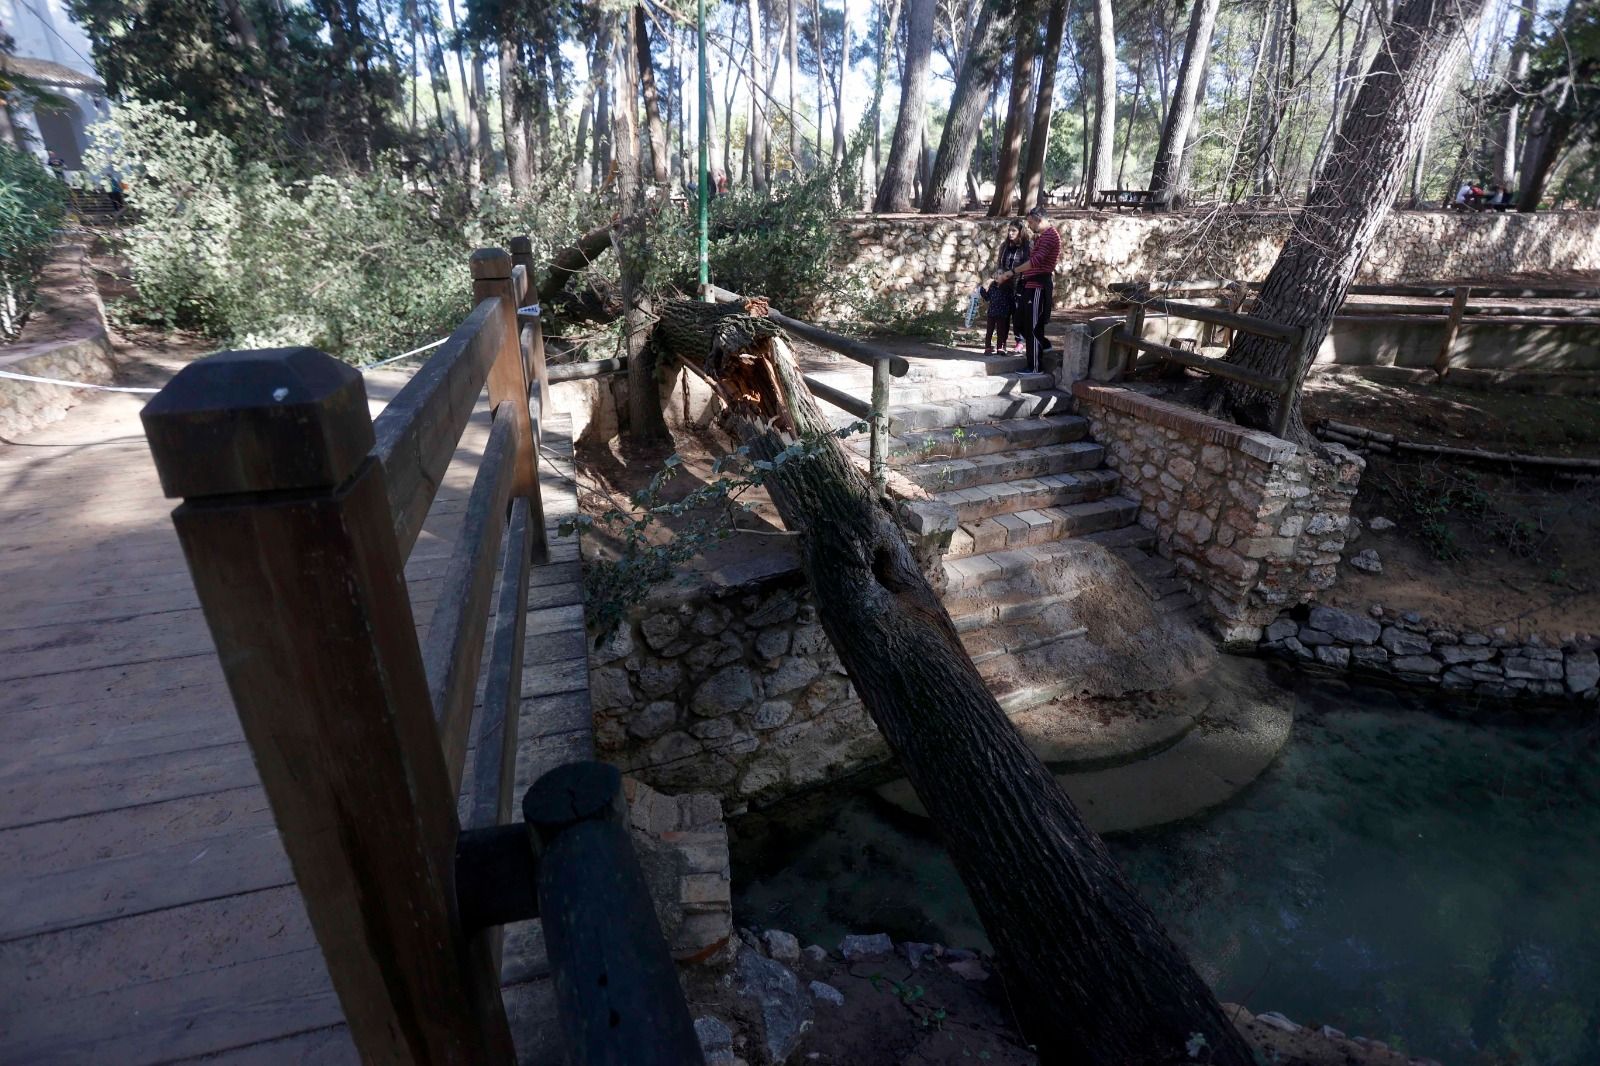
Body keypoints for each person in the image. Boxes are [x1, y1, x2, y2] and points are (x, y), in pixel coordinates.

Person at [995, 206, 1060, 373]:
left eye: (1031, 222)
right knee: (1020, 322)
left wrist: (1011, 273)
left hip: (1038, 286)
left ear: (1039, 220)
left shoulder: (1050, 237)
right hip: (1029, 285)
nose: (1029, 226)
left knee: (1033, 326)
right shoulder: (1041, 237)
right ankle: (1044, 347)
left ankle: (1035, 366)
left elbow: (1036, 261)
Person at [980, 221, 1031, 355]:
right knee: (1004, 316)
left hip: (1020, 284)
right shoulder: (1005, 246)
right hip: (1004, 284)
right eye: (1009, 230)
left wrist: (1017, 276)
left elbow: (1029, 265)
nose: (1010, 233)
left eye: (1014, 231)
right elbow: (999, 265)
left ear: (1020, 232)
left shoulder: (1026, 247)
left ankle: (1020, 341)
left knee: (1018, 315)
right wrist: (997, 278)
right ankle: (1001, 343)